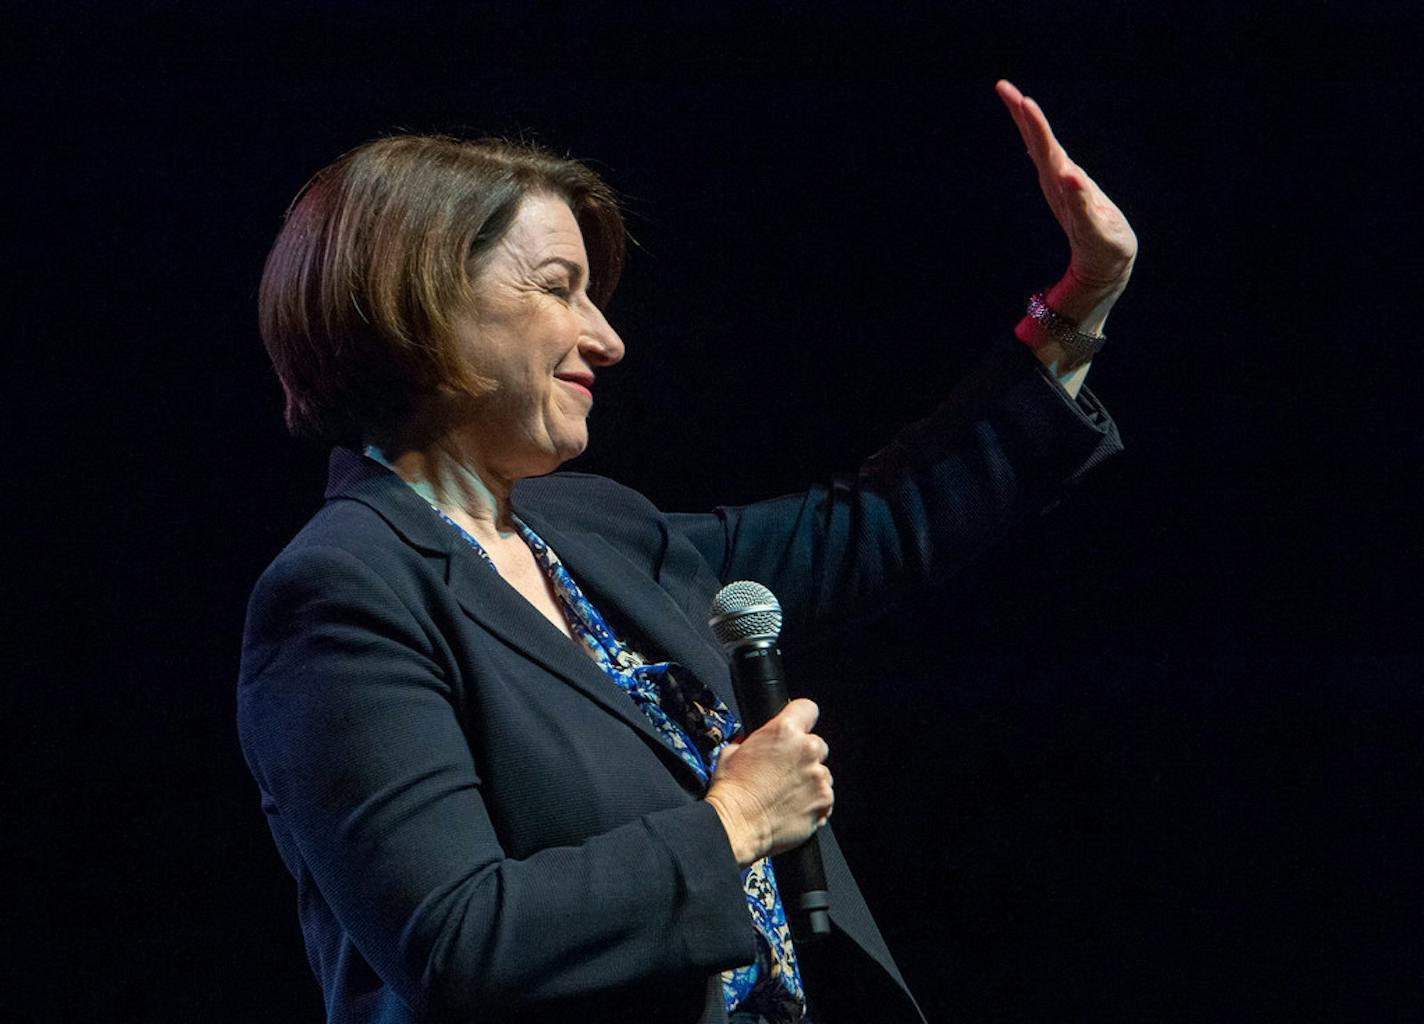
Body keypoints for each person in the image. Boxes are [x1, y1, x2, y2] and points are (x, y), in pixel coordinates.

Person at [238, 79, 1136, 1024]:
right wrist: (736, 823)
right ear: (417, 301)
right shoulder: (342, 593)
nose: (608, 339)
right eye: (558, 289)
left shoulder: (596, 532)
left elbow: (872, 526)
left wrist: (1078, 304)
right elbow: (460, 941)